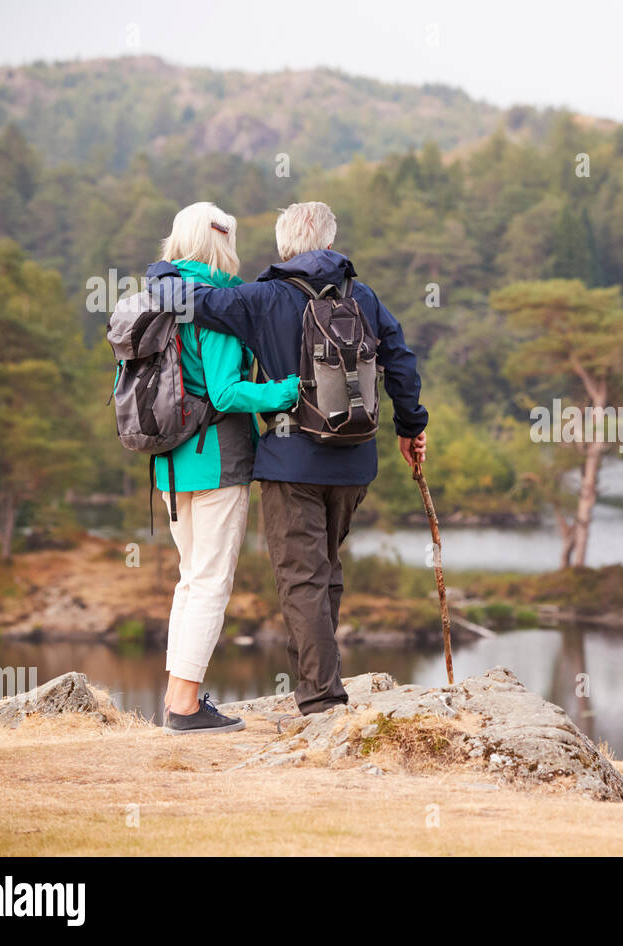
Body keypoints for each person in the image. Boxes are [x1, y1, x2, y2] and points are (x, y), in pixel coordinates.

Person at [147, 201, 429, 716]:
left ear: (282, 245)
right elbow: (401, 362)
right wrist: (411, 427)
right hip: (354, 461)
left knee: (302, 578)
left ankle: (320, 698)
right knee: (326, 571)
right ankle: (318, 686)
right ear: (329, 241)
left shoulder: (260, 298)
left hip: (287, 462)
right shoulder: (363, 295)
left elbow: (180, 299)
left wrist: (161, 267)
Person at [152, 202, 300, 734]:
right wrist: (286, 391)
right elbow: (226, 391)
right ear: (223, 243)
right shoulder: (218, 303)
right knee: (211, 583)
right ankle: (187, 708)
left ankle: (176, 698)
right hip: (217, 457)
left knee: (190, 580)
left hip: (170, 462)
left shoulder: (159, 296)